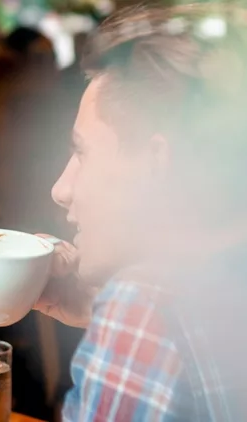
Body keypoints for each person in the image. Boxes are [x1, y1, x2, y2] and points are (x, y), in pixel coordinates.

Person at [33, 4, 247, 420]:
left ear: (154, 162)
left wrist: (130, 323)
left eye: (82, 152)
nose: (61, 189)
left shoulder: (144, 303)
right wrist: (100, 313)